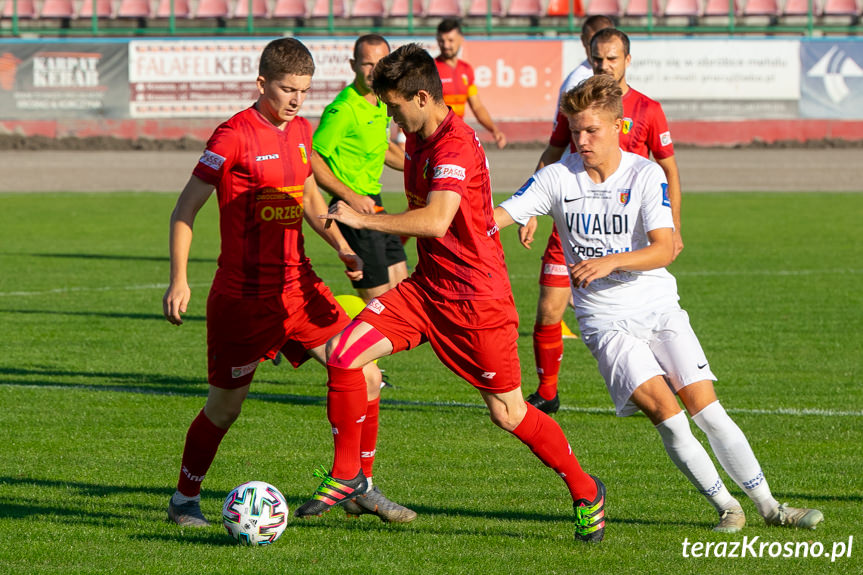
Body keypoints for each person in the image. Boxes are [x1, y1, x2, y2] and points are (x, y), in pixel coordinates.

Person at [293, 43, 606, 543]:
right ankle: (352, 476)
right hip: (426, 290)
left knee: (508, 413)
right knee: (345, 354)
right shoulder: (418, 136)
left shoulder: (453, 145)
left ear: (421, 97)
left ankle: (587, 489)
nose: (392, 119)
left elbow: (438, 221)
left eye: (395, 107)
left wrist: (366, 218)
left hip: (476, 300)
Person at [494, 74, 824, 534]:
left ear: (617, 126)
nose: (581, 140)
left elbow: (664, 248)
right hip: (605, 322)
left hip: (658, 307)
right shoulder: (556, 177)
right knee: (668, 417)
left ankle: (771, 506)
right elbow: (500, 216)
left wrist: (610, 262)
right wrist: (447, 219)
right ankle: (728, 507)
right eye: (574, 131)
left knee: (708, 410)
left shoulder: (644, 174)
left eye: (591, 130)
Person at [162, 38, 414, 528]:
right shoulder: (232, 135)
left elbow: (309, 200)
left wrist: (340, 245)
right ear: (262, 84)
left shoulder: (300, 131)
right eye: (287, 89)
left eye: (304, 90)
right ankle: (183, 500)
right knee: (225, 408)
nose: (297, 99)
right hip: (243, 296)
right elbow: (185, 208)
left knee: (365, 372)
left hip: (299, 287)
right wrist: (179, 280)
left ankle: (358, 483)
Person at [522, 27, 683, 415]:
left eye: (612, 58)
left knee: (638, 317)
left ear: (628, 60)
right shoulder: (577, 107)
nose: (604, 66)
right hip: (574, 223)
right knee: (548, 310)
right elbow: (553, 151)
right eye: (597, 59)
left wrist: (674, 227)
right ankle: (547, 392)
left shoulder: (648, 108)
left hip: (624, 235)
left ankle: (663, 384)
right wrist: (529, 208)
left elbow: (669, 170)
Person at [312, 34, 409, 304]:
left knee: (401, 290)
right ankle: (323, 345)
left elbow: (385, 148)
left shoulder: (380, 102)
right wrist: (351, 197)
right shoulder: (343, 109)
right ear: (353, 64)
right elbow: (312, 157)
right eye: (367, 63)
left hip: (374, 204)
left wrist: (422, 168)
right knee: (379, 306)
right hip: (351, 208)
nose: (374, 70)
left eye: (380, 63)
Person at [434, 18, 507, 150]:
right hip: (436, 139)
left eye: (450, 40)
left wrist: (494, 130)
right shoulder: (431, 69)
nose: (445, 45)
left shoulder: (466, 70)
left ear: (461, 39)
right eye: (441, 41)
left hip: (457, 137)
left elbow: (477, 107)